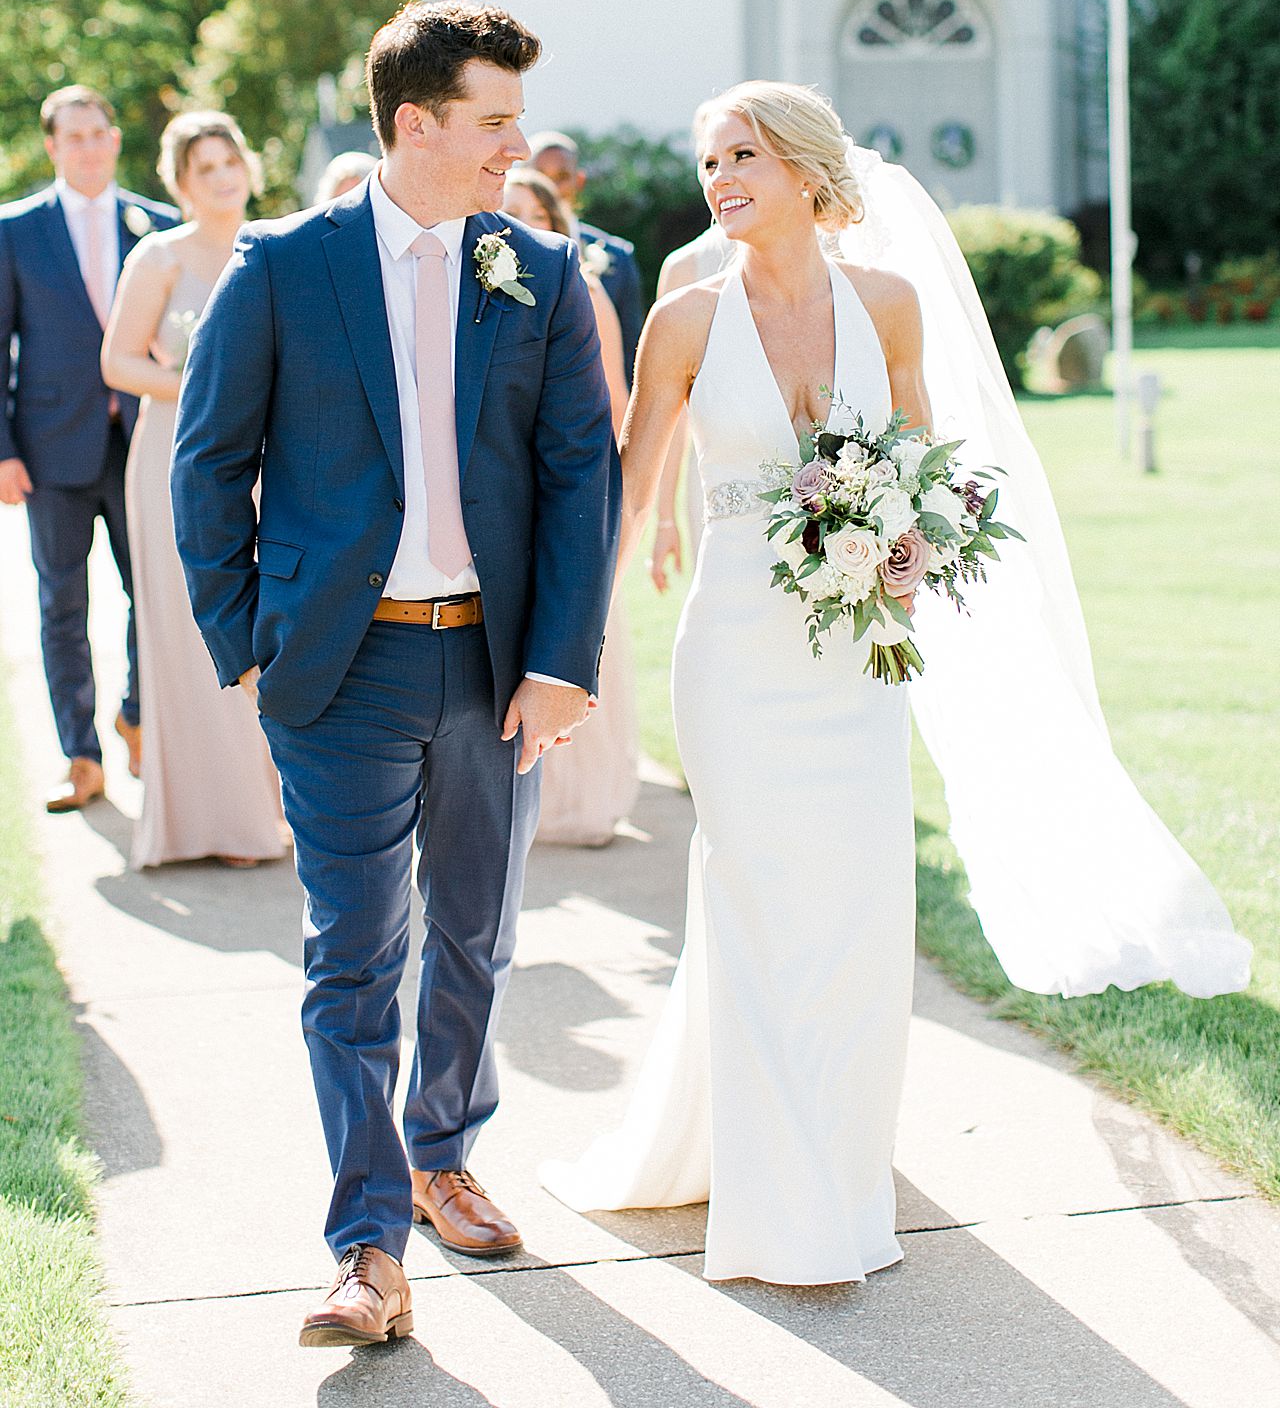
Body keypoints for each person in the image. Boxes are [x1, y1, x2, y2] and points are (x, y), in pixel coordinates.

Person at [542, 80, 1250, 1286]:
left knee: (859, 914)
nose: (718, 177)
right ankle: (782, 1209)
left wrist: (907, 544)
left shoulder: (889, 304)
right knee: (758, 899)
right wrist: (572, 655)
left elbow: (930, 467)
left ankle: (833, 1164)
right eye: (708, 159)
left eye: (743, 154)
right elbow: (627, 489)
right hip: (734, 657)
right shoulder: (683, 319)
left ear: (810, 173)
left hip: (853, 661)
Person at [171, 1, 619, 1348]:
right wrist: (246, 640)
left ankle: (444, 1152)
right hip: (341, 674)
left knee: (474, 934)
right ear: (414, 125)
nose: (515, 146)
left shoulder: (535, 270)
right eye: (493, 122)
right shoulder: (283, 268)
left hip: (494, 668)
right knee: (354, 955)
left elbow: (576, 475)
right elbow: (209, 465)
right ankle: (365, 1244)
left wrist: (559, 661)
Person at [101, 112, 286, 870]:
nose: (221, 177)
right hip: (173, 459)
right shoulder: (160, 258)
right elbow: (118, 362)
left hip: (269, 465)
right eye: (203, 167)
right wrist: (198, 385)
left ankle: (266, 806)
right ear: (180, 182)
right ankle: (210, 820)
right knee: (187, 631)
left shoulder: (275, 247)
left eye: (229, 160)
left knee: (264, 626)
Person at [0, 85, 179, 812]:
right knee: (61, 603)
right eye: (70, 137)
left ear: (113, 139)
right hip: (50, 447)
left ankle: (136, 714)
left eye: (97, 133)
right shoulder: (15, 230)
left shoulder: (157, 224)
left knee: (154, 593)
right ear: (52, 147)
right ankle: (80, 754)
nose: (86, 147)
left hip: (145, 443)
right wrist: (3, 447)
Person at [504, 166, 639, 846]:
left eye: (535, 212)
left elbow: (613, 403)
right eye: (509, 209)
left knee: (575, 625)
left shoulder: (582, 289)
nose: (521, 221)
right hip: (503, 495)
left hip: (567, 488)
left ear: (557, 223)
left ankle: (580, 799)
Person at [646, 222, 732, 596]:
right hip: (716, 488)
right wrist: (665, 517)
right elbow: (670, 412)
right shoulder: (685, 268)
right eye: (708, 163)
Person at [528, 130, 644, 378]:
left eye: (561, 177)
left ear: (578, 181)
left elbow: (632, 354)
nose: (551, 187)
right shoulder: (500, 251)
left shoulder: (618, 257)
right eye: (540, 176)